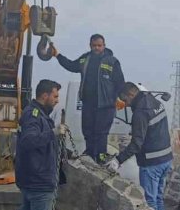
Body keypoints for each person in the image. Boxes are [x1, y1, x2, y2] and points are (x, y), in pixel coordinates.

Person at [50, 34, 125, 163]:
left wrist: (120, 98)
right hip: (88, 103)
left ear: (104, 46)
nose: (96, 48)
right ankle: (89, 153)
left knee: (101, 133)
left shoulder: (112, 61)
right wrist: (57, 55)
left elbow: (120, 82)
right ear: (90, 46)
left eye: (99, 45)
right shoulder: (85, 59)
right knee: (88, 130)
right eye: (94, 45)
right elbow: (71, 65)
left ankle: (101, 157)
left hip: (106, 105)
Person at [106, 82, 173, 210]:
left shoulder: (140, 112)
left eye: (125, 100)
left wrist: (118, 160)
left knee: (150, 201)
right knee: (158, 198)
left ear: (131, 94)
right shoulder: (154, 101)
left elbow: (136, 143)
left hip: (151, 163)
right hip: (166, 159)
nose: (127, 104)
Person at [13, 79, 65, 210]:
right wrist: (53, 133)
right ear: (45, 95)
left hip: (32, 179)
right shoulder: (33, 115)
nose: (57, 101)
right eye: (55, 96)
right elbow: (29, 141)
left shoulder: (38, 115)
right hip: (39, 181)